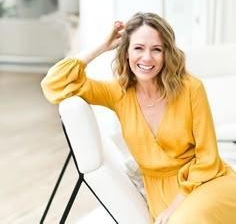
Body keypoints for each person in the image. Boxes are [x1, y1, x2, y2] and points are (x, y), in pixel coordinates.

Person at [41, 12, 236, 224]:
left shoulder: (191, 88)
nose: (147, 58)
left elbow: (208, 158)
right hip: (160, 194)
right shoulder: (117, 93)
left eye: (156, 49)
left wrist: (176, 205)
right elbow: (54, 83)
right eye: (138, 48)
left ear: (166, 53)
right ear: (125, 52)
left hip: (205, 183)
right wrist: (102, 46)